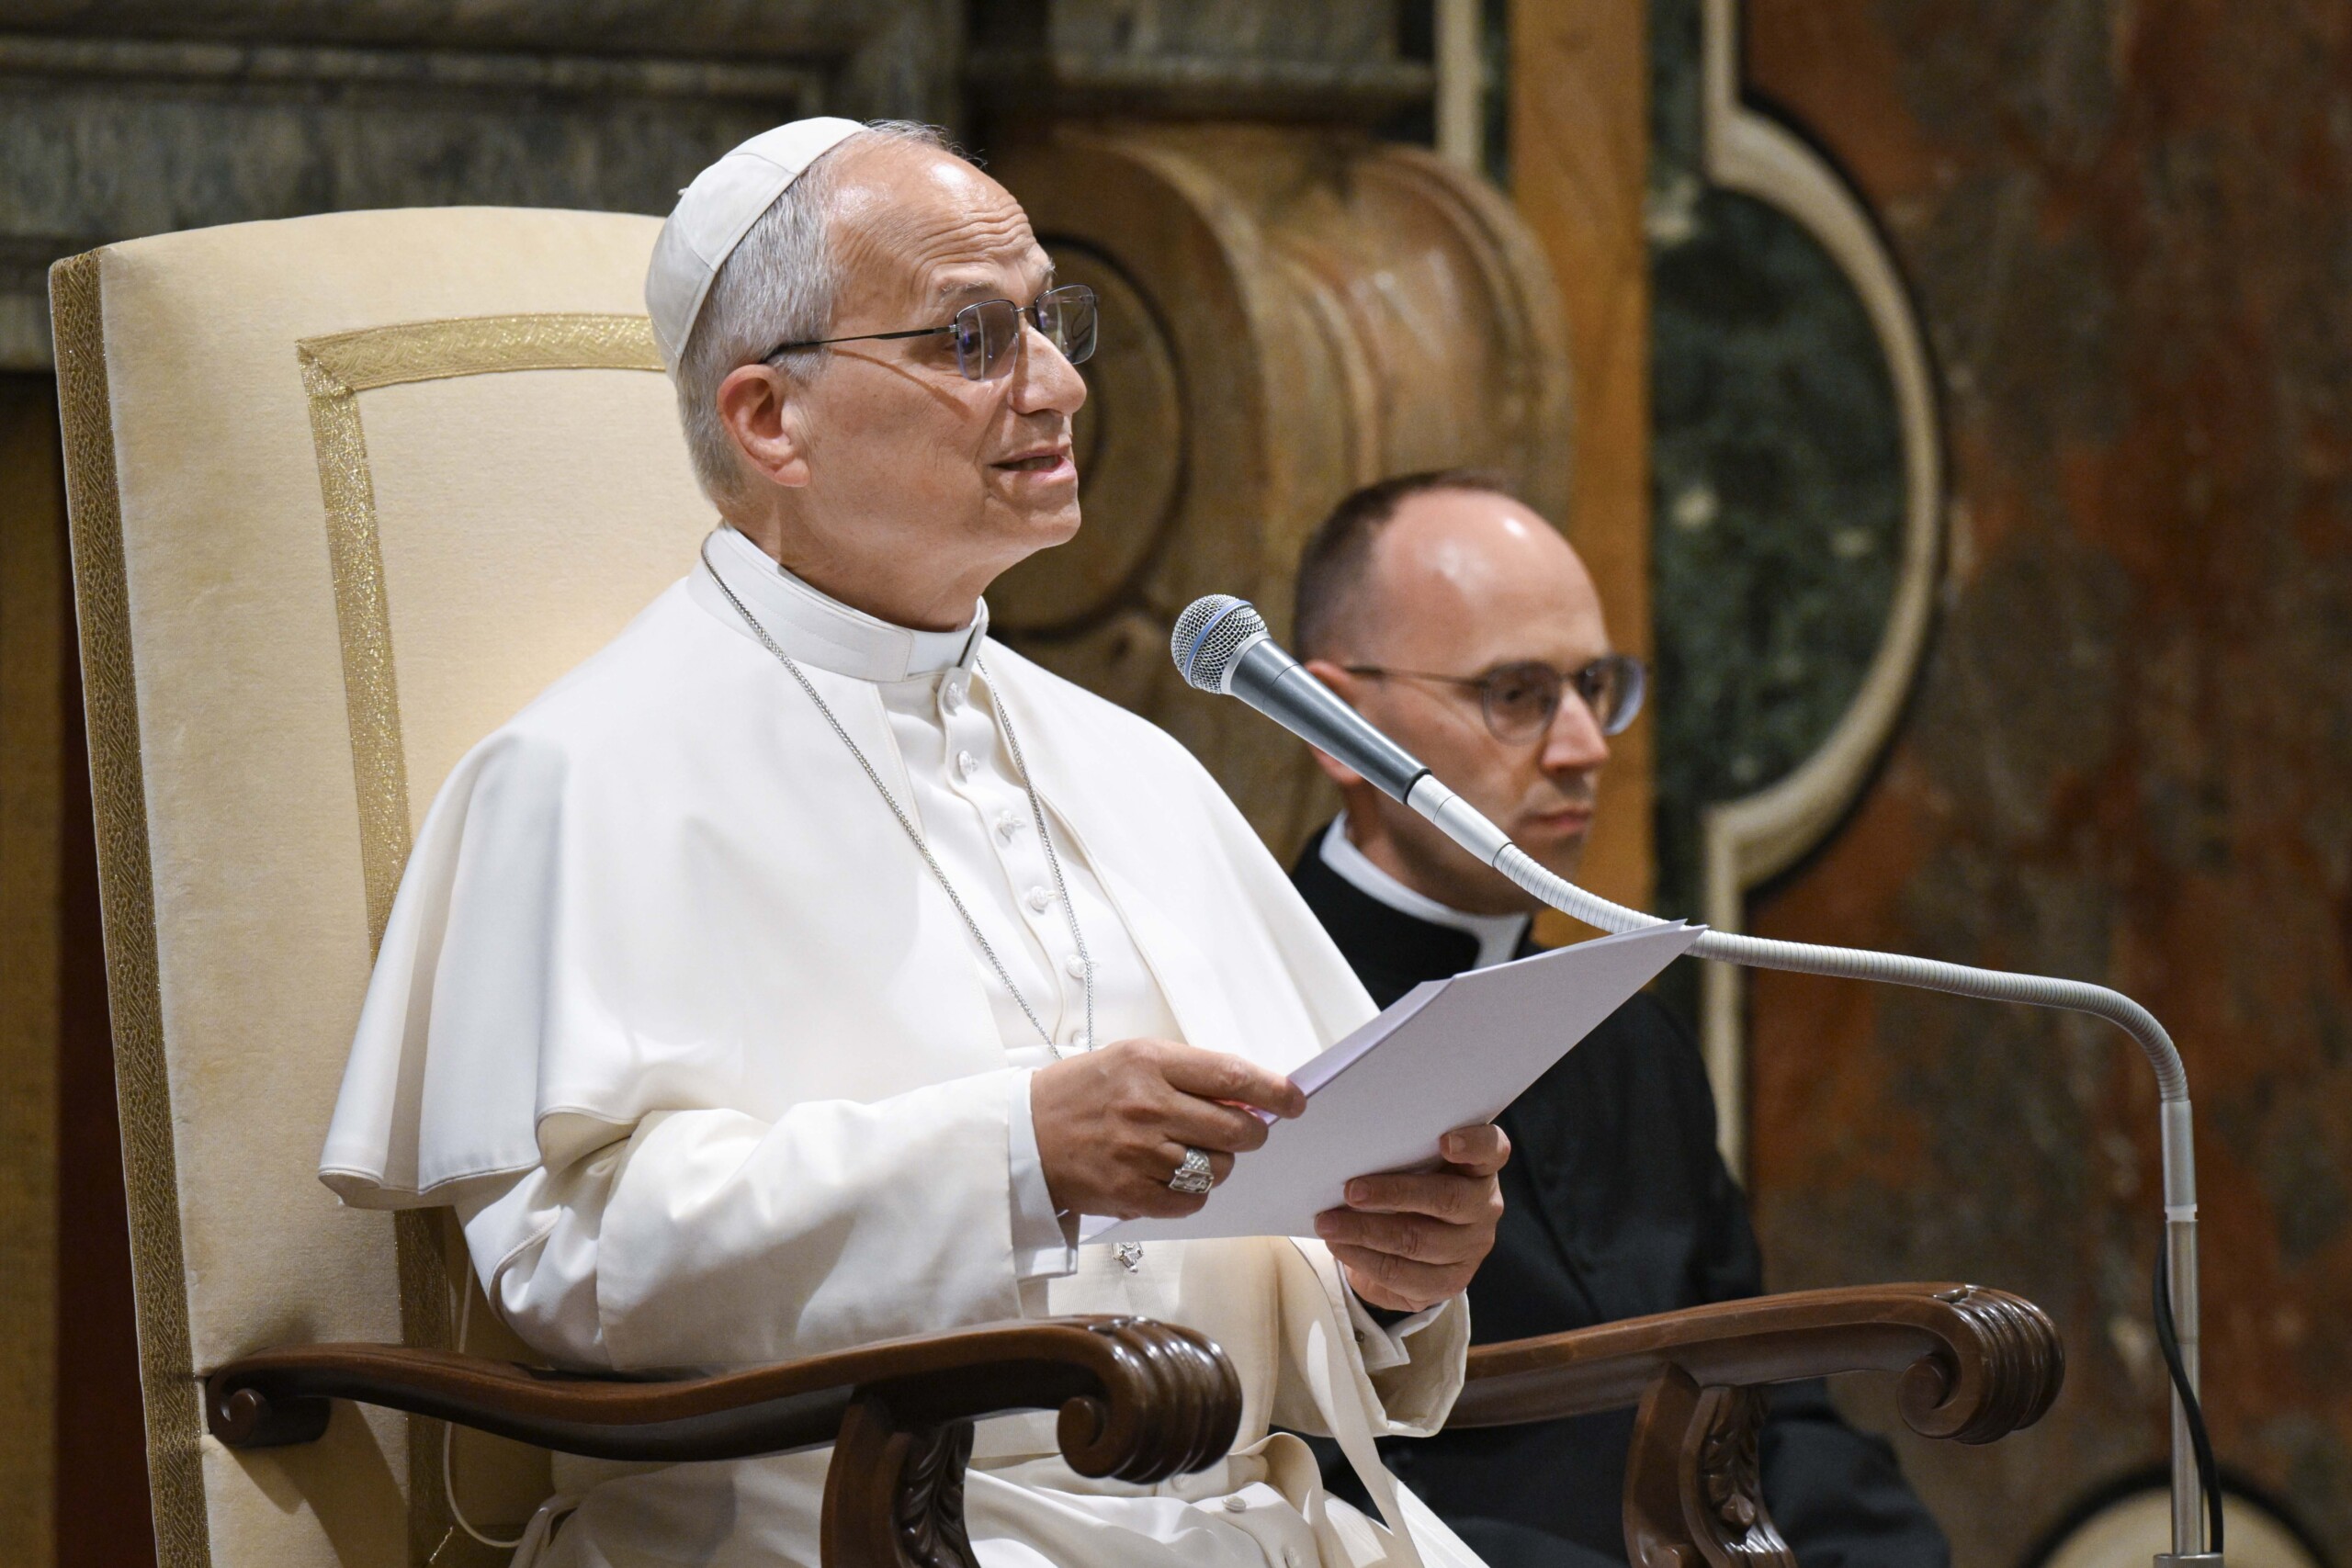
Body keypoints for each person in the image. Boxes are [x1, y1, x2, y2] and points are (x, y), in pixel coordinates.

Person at [317, 121, 1511, 1568]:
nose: (1062, 384)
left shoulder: (1131, 762)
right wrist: (1015, 1151)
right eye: (972, 336)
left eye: (1049, 322)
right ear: (772, 420)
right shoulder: (580, 772)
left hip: (1234, 1518)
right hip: (829, 1528)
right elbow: (576, 1263)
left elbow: (1288, 1217)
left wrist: (1388, 1269)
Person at [1286, 471, 1950, 1568]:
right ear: (1339, 725)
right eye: (1515, 694)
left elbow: (1768, 1398)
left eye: (1594, 684)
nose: (1585, 745)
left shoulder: (1631, 1043)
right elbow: (1293, 1458)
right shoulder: (1239, 1005)